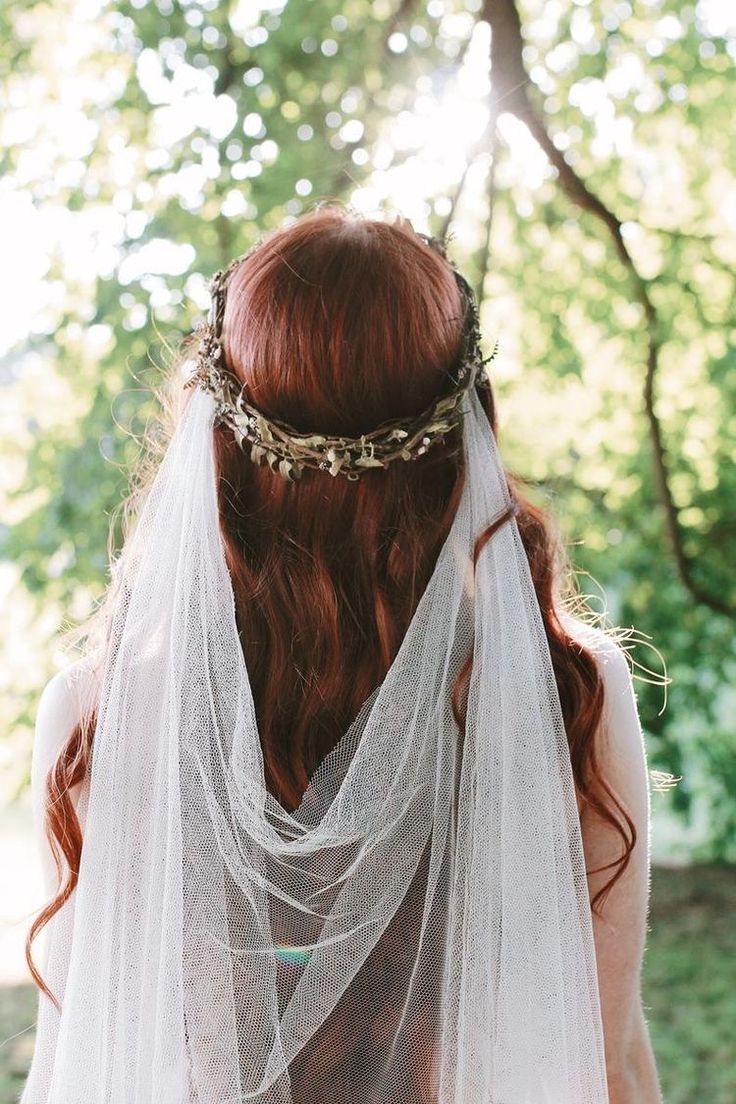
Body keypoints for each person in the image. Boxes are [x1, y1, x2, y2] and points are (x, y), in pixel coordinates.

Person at [22, 206, 661, 1103]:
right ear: (463, 437)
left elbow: (88, 1060)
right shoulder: (564, 698)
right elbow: (605, 1058)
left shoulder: (99, 718)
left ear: (215, 432)